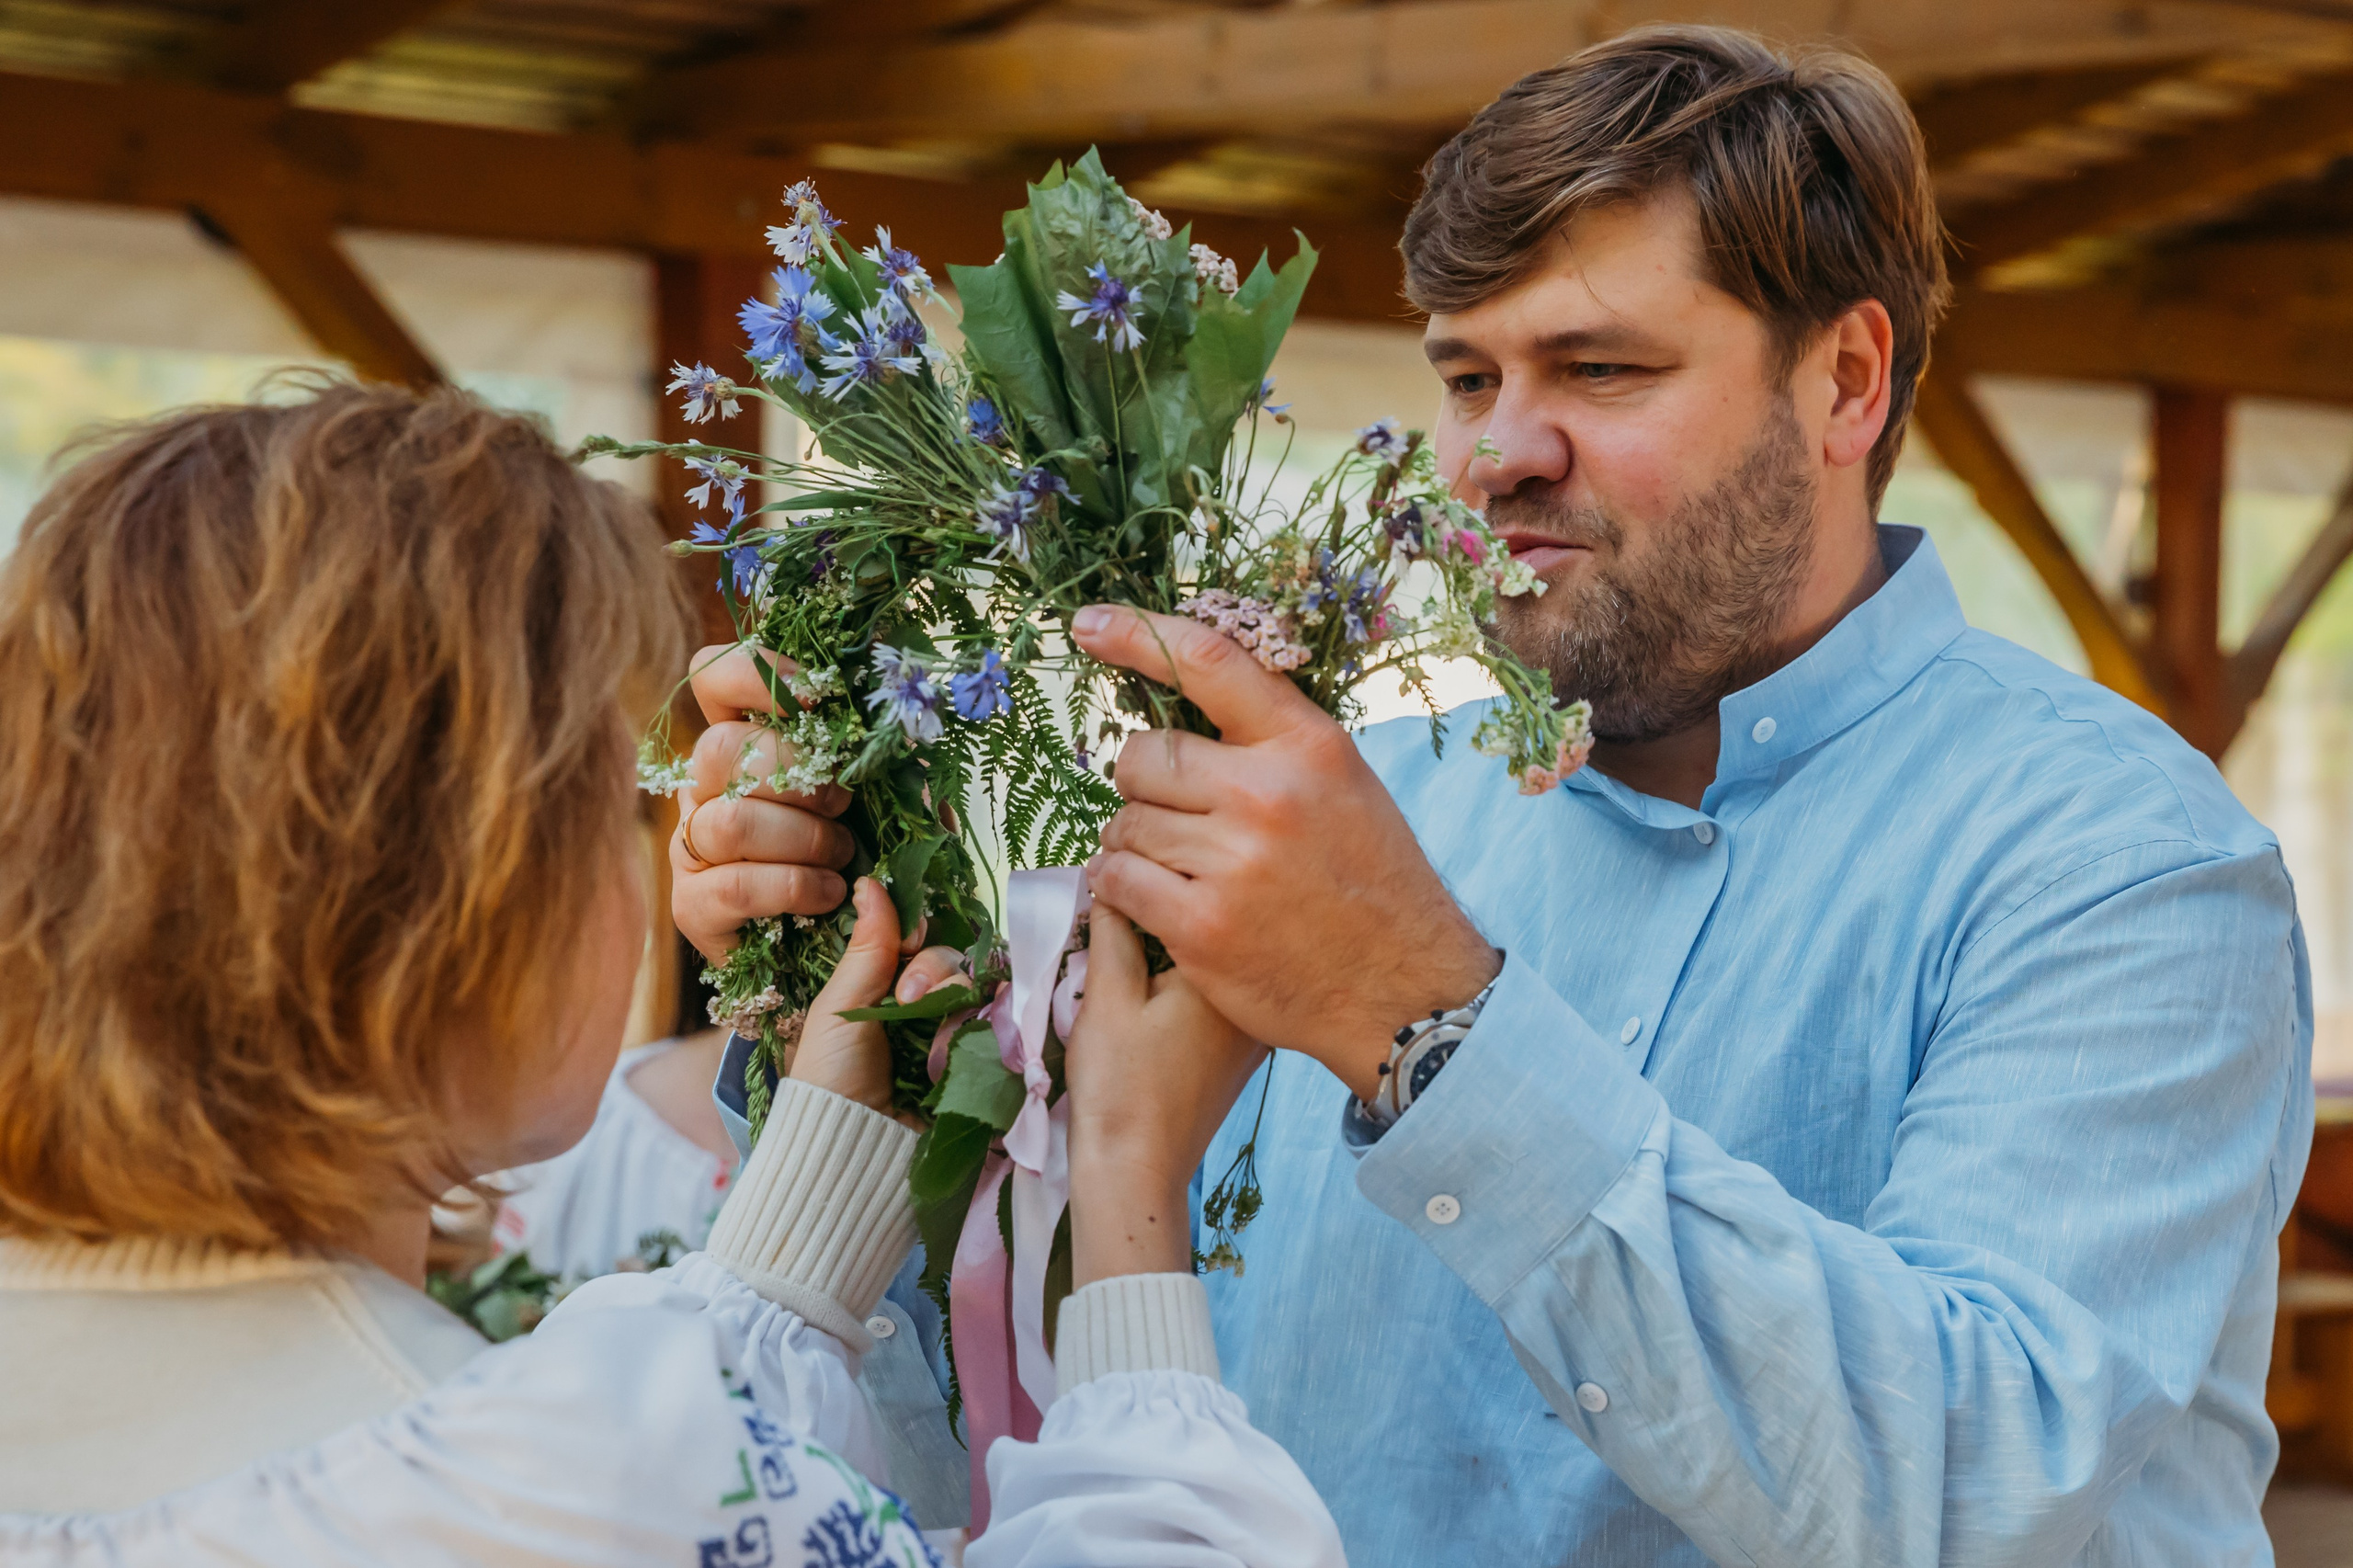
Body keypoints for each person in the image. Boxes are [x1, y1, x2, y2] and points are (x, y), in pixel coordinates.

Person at [676, 27, 2316, 1566]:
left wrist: (1424, 1016)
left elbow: (1970, 1486)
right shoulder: (1358, 808)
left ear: (1846, 383)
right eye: (1467, 379)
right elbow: (1049, 1426)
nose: (1499, 454)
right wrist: (848, 1016)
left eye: (1599, 369)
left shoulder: (2124, 863)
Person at [0, 381, 1343, 1566]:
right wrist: (1123, 1182)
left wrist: (815, 1188)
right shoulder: (579, 1490)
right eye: (606, 795)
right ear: (449, 901)